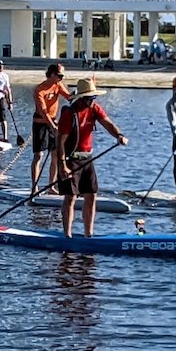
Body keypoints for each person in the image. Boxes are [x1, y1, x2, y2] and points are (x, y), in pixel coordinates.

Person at [55, 78, 128, 238]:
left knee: (91, 195)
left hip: (87, 159)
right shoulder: (69, 114)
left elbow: (108, 123)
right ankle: (67, 236)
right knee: (71, 197)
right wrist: (63, 166)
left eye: (93, 97)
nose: (92, 101)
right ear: (81, 98)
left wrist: (119, 135)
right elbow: (60, 142)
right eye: (89, 98)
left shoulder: (94, 108)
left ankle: (89, 234)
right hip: (70, 160)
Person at [31, 62, 71, 192]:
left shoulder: (58, 85)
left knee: (55, 154)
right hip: (40, 123)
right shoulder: (39, 89)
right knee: (38, 156)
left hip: (53, 120)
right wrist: (52, 126)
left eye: (62, 76)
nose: (61, 79)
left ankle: (51, 186)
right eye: (60, 76)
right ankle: (34, 187)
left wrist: (80, 94)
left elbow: (69, 97)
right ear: (52, 74)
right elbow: (43, 111)